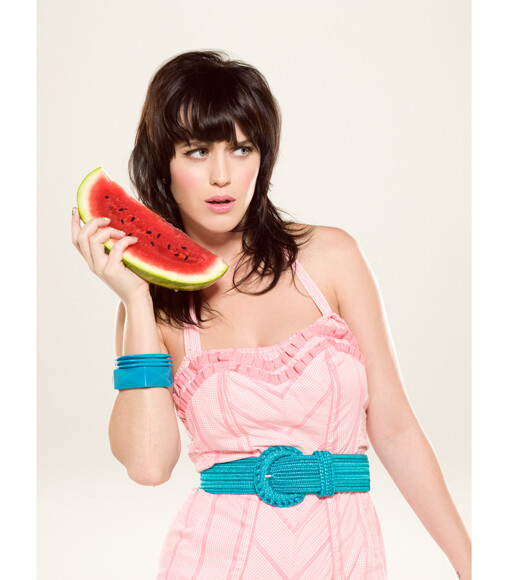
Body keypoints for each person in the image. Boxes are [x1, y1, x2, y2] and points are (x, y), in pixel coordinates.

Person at [71, 50, 471, 579]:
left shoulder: (332, 259)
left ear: (263, 158)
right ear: (162, 163)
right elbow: (148, 465)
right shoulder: (149, 309)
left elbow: (395, 430)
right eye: (196, 151)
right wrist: (137, 300)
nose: (221, 176)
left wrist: (473, 564)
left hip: (347, 561)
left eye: (241, 148)